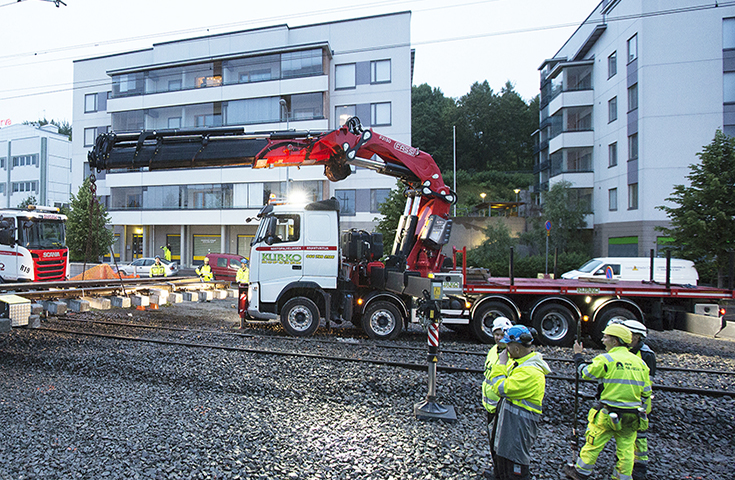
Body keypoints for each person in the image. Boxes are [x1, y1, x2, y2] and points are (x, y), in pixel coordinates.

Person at [564, 324, 652, 480]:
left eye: (606, 337)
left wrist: (578, 356)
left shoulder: (607, 359)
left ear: (615, 341)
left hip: (607, 413)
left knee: (593, 443)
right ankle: (622, 477)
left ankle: (580, 473)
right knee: (626, 450)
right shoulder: (640, 363)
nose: (603, 340)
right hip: (631, 416)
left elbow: (585, 373)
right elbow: (646, 392)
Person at [487, 325, 551, 480]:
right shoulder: (520, 363)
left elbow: (501, 388)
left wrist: (501, 364)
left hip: (518, 429)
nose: (506, 349)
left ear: (516, 348)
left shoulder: (530, 372)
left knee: (515, 467)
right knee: (504, 461)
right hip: (510, 426)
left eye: (508, 345)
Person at [617, 319, 656, 480]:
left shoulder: (646, 355)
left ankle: (639, 468)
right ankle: (625, 464)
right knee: (626, 438)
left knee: (639, 438)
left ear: (637, 337)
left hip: (638, 404)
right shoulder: (625, 351)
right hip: (626, 401)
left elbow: (647, 383)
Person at [481, 317, 514, 480]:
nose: (499, 338)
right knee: (493, 445)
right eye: (496, 334)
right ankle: (498, 472)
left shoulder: (510, 355)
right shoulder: (493, 350)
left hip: (502, 408)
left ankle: (502, 474)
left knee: (501, 446)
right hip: (490, 407)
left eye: (502, 335)